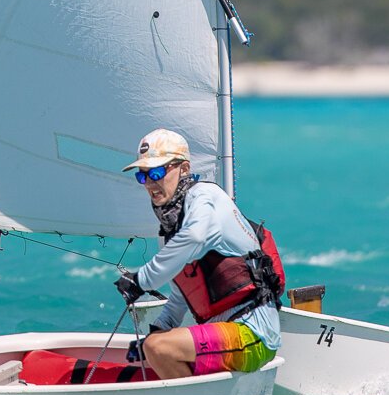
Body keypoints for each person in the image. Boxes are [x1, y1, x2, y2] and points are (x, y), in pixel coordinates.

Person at [112, 129, 284, 379]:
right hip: (224, 335)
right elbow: (182, 295)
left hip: (252, 336)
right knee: (154, 344)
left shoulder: (205, 197)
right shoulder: (172, 227)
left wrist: (141, 280)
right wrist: (159, 329)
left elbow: (195, 237)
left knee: (157, 348)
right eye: (143, 176)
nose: (150, 183)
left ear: (183, 169)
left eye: (157, 172)